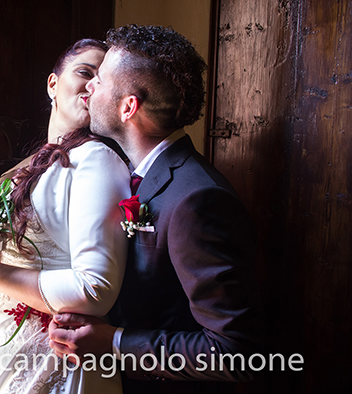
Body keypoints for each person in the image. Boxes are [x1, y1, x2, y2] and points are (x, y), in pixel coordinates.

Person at [48, 25, 262, 392]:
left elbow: (234, 352)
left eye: (99, 80)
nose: (90, 88)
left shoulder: (196, 199)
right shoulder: (129, 173)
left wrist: (114, 342)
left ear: (128, 107)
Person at [0, 38, 131, 394]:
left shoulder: (95, 159)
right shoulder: (25, 167)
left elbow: (95, 289)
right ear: (52, 84)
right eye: (85, 72)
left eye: (103, 80)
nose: (92, 84)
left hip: (47, 353)